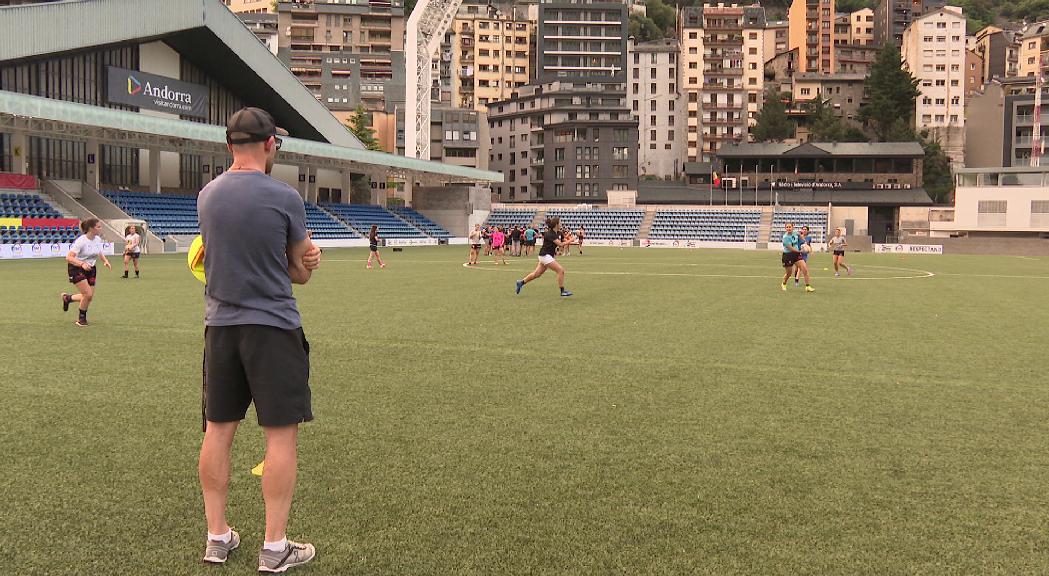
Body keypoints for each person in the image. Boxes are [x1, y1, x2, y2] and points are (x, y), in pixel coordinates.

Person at [196, 107, 322, 573]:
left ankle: (217, 536)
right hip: (272, 326)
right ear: (270, 144)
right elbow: (297, 273)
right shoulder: (284, 197)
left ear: (230, 144)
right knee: (280, 437)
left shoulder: (206, 196)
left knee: (218, 431)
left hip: (221, 328)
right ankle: (274, 547)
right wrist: (310, 263)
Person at [61, 218, 112, 327]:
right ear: (91, 229)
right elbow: (69, 257)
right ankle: (81, 319)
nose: (100, 228)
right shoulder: (81, 241)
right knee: (87, 294)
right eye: (98, 227)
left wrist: (105, 261)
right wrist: (82, 264)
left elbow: (99, 251)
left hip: (91, 269)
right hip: (76, 268)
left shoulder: (98, 239)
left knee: (89, 296)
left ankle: (68, 298)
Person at [515, 216, 573, 297]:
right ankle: (562, 291)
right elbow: (560, 244)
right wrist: (571, 240)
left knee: (536, 274)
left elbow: (561, 241)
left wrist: (570, 240)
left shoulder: (556, 233)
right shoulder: (550, 234)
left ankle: (521, 282)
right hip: (545, 256)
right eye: (560, 222)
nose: (561, 223)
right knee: (560, 270)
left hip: (545, 256)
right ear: (556, 224)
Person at [780, 222, 814, 293]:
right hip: (788, 255)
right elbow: (791, 248)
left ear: (793, 227)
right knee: (789, 273)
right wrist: (800, 251)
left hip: (796, 255)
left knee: (804, 269)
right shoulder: (785, 238)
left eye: (790, 227)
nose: (788, 228)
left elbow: (799, 235)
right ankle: (783, 283)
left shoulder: (795, 233)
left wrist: (804, 243)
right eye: (787, 227)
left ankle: (808, 286)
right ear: (785, 228)